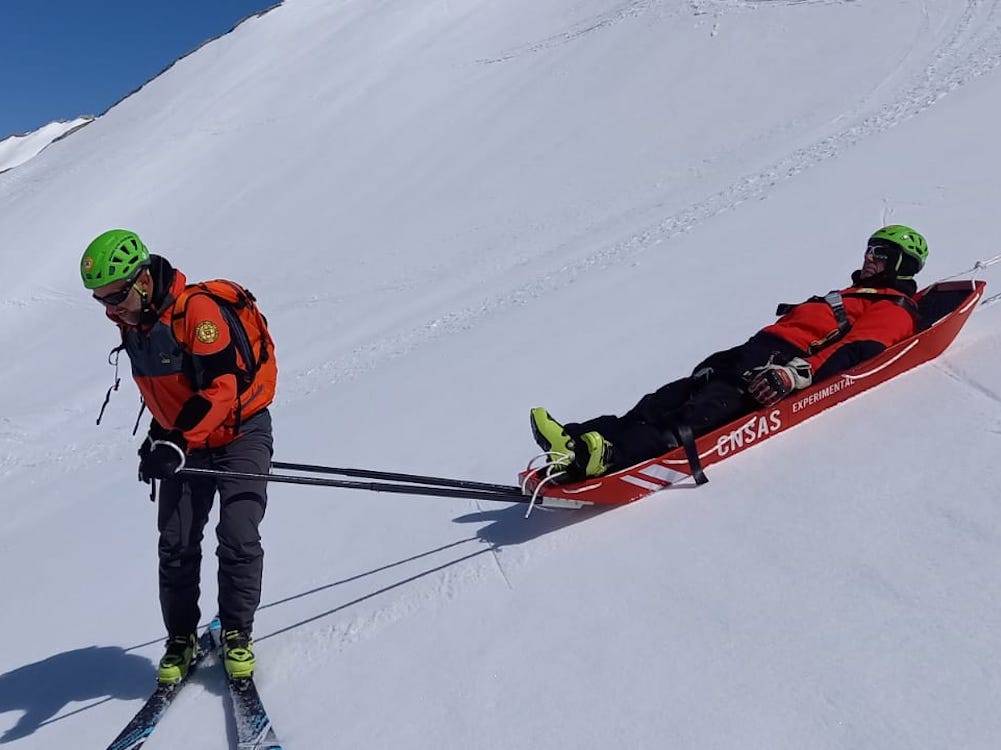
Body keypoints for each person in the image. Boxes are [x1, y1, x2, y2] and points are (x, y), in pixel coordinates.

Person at [530, 225, 928, 481]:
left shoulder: (892, 309)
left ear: (901, 264)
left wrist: (795, 376)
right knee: (661, 400)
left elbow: (855, 354)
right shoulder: (856, 294)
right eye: (870, 249)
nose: (869, 257)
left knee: (696, 416)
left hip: (775, 369)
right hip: (752, 355)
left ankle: (607, 458)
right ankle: (576, 441)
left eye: (880, 253)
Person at [80, 229, 278, 684]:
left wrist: (177, 439)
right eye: (100, 300)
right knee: (176, 544)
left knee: (238, 534)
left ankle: (236, 633)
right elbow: (168, 392)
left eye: (115, 295)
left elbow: (221, 388)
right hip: (185, 441)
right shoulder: (136, 326)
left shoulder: (198, 312)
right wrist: (158, 435)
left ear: (143, 280)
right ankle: (182, 638)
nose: (110, 308)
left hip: (240, 434)